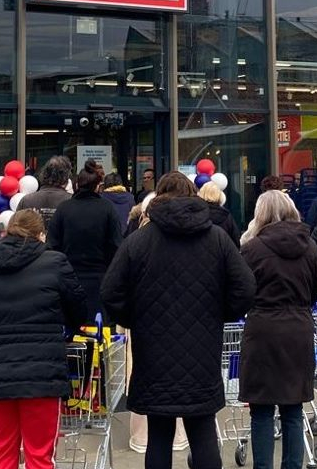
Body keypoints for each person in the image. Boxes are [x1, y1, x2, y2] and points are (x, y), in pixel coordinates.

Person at [102, 173, 256, 469]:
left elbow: (111, 292)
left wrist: (134, 318)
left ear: (158, 196)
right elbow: (246, 287)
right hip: (202, 350)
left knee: (159, 432)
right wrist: (220, 314)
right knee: (202, 428)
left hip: (153, 351)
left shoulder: (139, 240)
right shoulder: (217, 238)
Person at [0, 209, 88, 469]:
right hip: (42, 372)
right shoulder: (55, 261)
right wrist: (66, 331)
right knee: (40, 456)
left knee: (0, 455)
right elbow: (77, 308)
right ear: (40, 234)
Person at [238, 191, 317, 469]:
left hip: (262, 328)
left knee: (260, 410)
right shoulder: (309, 246)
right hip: (298, 328)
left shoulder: (251, 248)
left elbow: (242, 290)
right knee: (293, 408)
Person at [46, 160, 123, 322]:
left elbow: (52, 245)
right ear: (97, 186)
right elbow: (116, 246)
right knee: (98, 332)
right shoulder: (107, 208)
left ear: (76, 185)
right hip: (99, 279)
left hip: (68, 279)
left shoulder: (64, 209)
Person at [18, 156, 73, 224]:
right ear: (66, 177)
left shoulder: (26, 200)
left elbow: (16, 228)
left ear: (44, 174)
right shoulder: (73, 201)